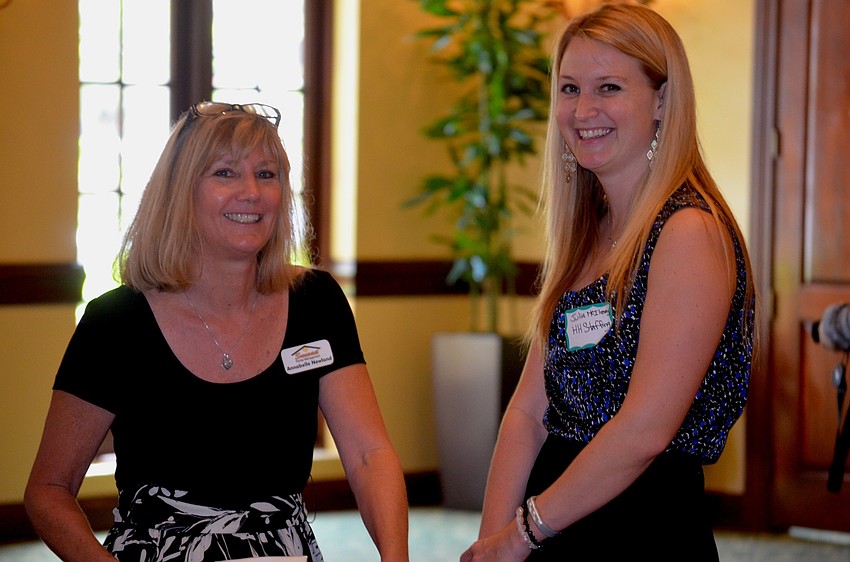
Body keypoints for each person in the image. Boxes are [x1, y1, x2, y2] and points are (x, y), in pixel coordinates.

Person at [25, 101, 410, 562]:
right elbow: (48, 490)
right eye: (225, 173)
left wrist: (395, 557)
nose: (251, 192)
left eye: (267, 175)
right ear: (180, 192)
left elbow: (369, 454)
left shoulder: (316, 301)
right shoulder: (116, 321)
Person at [461, 4, 756, 561]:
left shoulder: (688, 231)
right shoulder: (586, 234)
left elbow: (644, 430)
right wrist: (492, 541)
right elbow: (528, 413)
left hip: (640, 532)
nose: (583, 109)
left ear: (663, 101)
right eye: (570, 88)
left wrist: (523, 534)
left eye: (609, 87)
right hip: (549, 525)